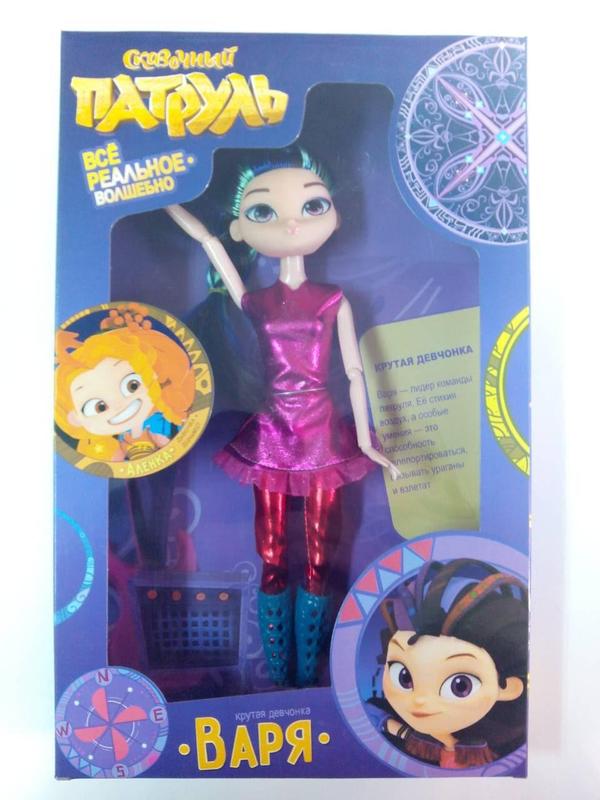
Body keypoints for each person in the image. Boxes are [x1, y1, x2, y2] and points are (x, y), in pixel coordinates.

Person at [165, 147, 399, 686]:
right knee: (270, 552)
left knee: (320, 554)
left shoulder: (333, 299)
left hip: (322, 433)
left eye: (313, 206)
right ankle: (277, 670)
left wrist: (366, 442)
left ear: (335, 216)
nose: (292, 223)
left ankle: (306, 666)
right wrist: (169, 200)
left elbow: (355, 372)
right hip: (270, 431)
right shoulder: (256, 301)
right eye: (263, 212)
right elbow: (208, 242)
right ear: (240, 229)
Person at [374, 558, 528, 769]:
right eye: (404, 677)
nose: (420, 700)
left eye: (460, 685)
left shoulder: (507, 739)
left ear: (509, 687)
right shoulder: (411, 736)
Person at [55, 304, 195, 462]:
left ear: (155, 374)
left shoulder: (165, 414)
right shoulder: (101, 443)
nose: (119, 406)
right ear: (74, 418)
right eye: (99, 407)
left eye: (132, 386)